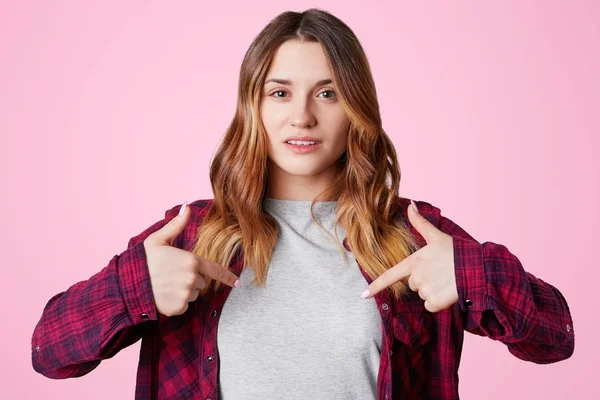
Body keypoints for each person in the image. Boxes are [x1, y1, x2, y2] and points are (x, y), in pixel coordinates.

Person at [31, 8, 574, 400]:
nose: (303, 117)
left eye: (328, 92)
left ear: (356, 106)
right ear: (253, 107)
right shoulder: (189, 235)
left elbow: (555, 339)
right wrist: (134, 290)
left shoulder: (414, 235)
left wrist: (472, 274)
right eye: (280, 92)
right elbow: (49, 354)